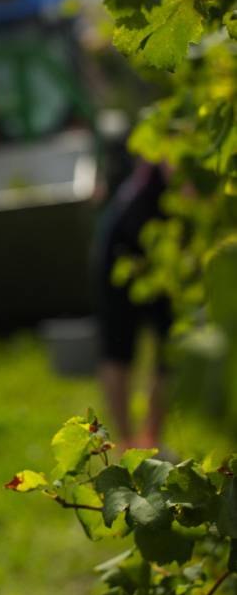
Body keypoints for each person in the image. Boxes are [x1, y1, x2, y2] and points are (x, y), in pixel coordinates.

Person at [93, 143, 171, 449]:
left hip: (161, 256)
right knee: (118, 351)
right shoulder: (171, 158)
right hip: (123, 254)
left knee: (168, 353)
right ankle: (128, 443)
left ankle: (150, 441)